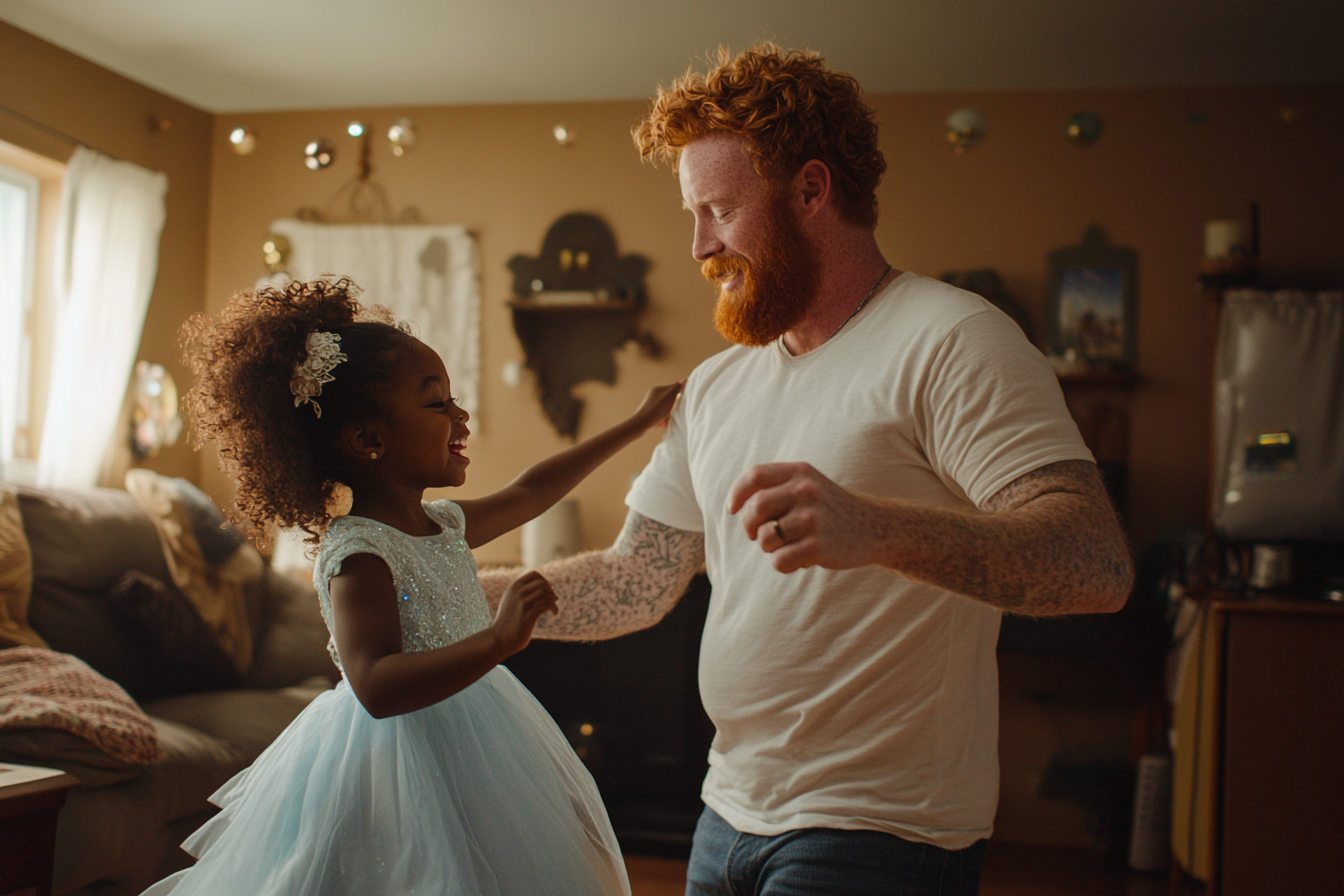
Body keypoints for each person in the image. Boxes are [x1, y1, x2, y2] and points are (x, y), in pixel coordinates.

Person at [479, 44, 1134, 895]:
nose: (697, 246)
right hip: (726, 817)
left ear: (812, 191)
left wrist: (876, 528)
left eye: (717, 209)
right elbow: (637, 579)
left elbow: (1095, 566)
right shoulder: (716, 386)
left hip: (883, 831)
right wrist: (445, 593)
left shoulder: (955, 339)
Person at [140, 276, 681, 896]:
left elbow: (532, 490)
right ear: (370, 439)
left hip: (479, 731)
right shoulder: (359, 553)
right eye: (436, 403)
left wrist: (638, 424)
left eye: (453, 399)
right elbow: (374, 685)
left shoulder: (444, 524)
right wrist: (496, 641)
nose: (461, 414)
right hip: (394, 758)